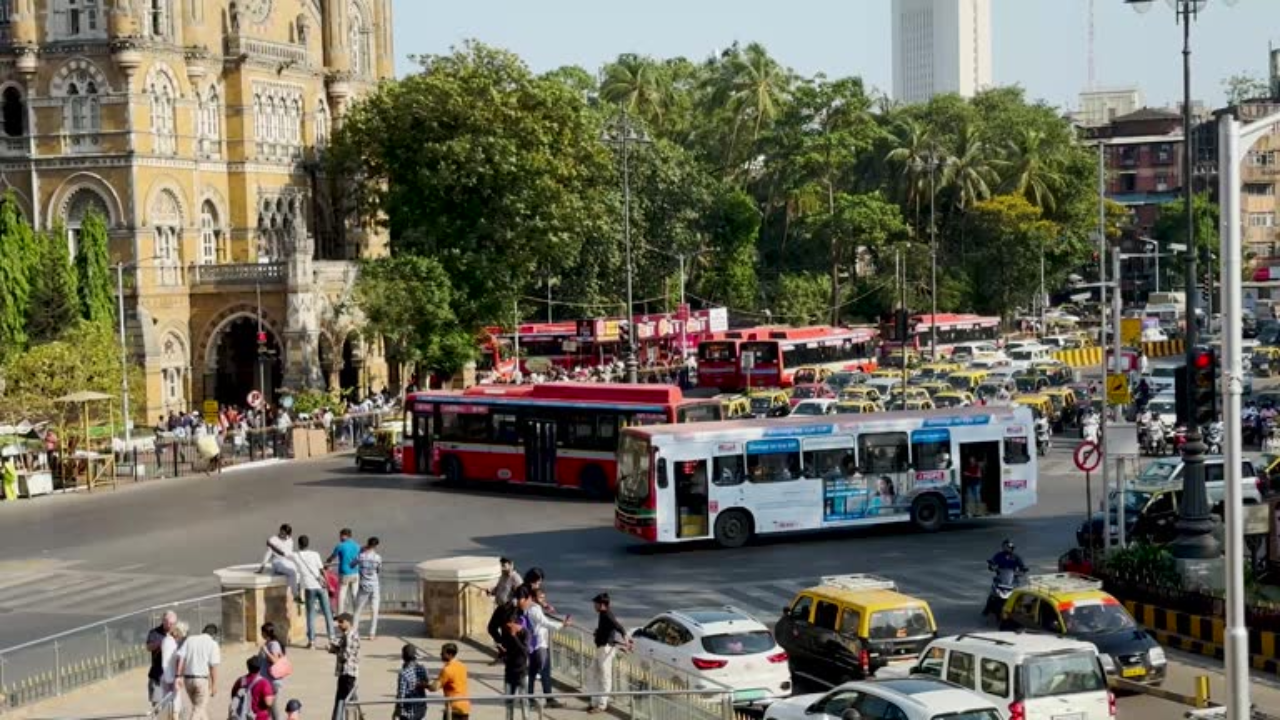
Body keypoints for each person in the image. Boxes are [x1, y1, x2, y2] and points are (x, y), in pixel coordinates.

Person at [587, 593, 629, 714]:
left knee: (605, 676)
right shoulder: (602, 614)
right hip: (600, 648)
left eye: (596, 604)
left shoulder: (607, 615)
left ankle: (601, 704)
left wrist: (626, 642)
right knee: (592, 672)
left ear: (602, 605)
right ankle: (594, 701)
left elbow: (620, 628)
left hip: (606, 649)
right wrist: (598, 632)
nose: (594, 606)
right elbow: (606, 629)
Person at [293, 535, 335, 649]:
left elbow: (284, 556)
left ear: (299, 544)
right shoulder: (315, 554)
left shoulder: (296, 556)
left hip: (309, 587)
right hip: (321, 586)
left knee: (311, 615)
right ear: (308, 543)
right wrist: (328, 585)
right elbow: (322, 570)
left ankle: (312, 642)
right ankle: (332, 639)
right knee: (328, 614)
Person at [175, 623, 221, 720]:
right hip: (201, 680)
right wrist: (214, 685)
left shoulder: (190, 640)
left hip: (188, 680)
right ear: (214, 635)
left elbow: (181, 657)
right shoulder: (212, 644)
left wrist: (178, 675)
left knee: (200, 708)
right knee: (199, 708)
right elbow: (213, 666)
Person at [498, 608, 529, 720]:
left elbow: (525, 652)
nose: (507, 628)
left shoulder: (525, 633)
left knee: (524, 701)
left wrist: (514, 636)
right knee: (509, 702)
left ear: (515, 623)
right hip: (509, 673)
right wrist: (502, 654)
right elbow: (505, 652)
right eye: (506, 626)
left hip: (522, 672)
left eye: (509, 625)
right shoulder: (506, 632)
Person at [427, 643, 470, 720]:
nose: (440, 654)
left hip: (453, 708)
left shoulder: (447, 670)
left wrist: (424, 684)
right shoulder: (462, 666)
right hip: (465, 707)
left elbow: (434, 687)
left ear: (450, 654)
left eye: (443, 653)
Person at [329, 613, 360, 720]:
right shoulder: (346, 635)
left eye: (341, 622)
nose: (339, 625)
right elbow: (341, 649)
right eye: (338, 622)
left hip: (349, 672)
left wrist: (336, 649)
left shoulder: (350, 636)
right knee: (341, 698)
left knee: (347, 699)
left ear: (348, 622)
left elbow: (346, 655)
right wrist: (332, 648)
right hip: (344, 672)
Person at [259, 524, 299, 600]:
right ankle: (295, 595)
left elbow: (289, 553)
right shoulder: (273, 539)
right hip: (277, 562)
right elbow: (268, 553)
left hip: (287, 561)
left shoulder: (290, 540)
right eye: (281, 532)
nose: (282, 535)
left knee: (296, 571)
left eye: (285, 534)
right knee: (292, 572)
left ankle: (293, 592)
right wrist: (262, 567)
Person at [326, 529, 362, 614]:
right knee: (354, 594)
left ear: (344, 535)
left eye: (340, 536)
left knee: (342, 594)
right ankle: (356, 612)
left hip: (344, 573)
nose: (339, 538)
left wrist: (327, 562)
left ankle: (340, 613)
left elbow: (332, 557)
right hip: (355, 573)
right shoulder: (357, 546)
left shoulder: (340, 546)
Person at [353, 537, 383, 640]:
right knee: (374, 610)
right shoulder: (378, 557)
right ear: (376, 546)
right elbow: (378, 570)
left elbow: (351, 565)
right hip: (375, 585)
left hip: (363, 585)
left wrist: (361, 551)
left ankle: (354, 632)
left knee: (357, 610)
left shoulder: (360, 556)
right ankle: (371, 634)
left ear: (367, 544)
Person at [147, 611, 178, 705]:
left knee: (173, 705)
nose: (170, 625)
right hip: (157, 674)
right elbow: (149, 647)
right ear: (163, 621)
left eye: (173, 623)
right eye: (168, 623)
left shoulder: (177, 633)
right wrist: (162, 643)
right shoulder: (154, 632)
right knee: (157, 705)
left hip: (172, 675)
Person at [258, 623, 287, 720]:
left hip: (272, 682)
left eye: (262, 632)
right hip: (267, 681)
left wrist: (265, 651)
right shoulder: (268, 643)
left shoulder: (273, 644)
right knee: (268, 708)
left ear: (265, 633)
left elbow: (275, 660)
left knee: (272, 707)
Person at [394, 645, 429, 720]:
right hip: (421, 708)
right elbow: (426, 682)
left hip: (408, 711)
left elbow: (401, 695)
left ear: (403, 656)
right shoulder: (422, 668)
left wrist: (397, 710)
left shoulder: (404, 673)